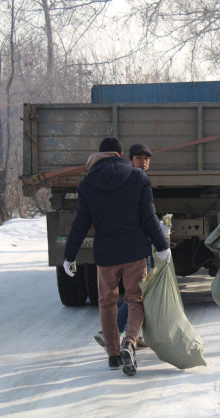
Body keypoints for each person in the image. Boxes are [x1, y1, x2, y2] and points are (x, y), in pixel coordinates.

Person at [63, 137, 170, 376]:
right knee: (135, 300)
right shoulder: (138, 178)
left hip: (106, 254)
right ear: (121, 155)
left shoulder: (88, 183)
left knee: (107, 303)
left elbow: (80, 224)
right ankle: (130, 343)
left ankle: (113, 355)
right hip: (135, 251)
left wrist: (70, 256)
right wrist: (163, 246)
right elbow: (148, 217)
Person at [93, 143, 166, 350]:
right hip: (133, 248)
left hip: (135, 244)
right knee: (138, 294)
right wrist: (160, 240)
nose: (143, 162)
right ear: (129, 159)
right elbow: (142, 216)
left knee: (140, 293)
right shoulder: (131, 179)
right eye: (138, 158)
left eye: (146, 158)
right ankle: (117, 331)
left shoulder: (137, 178)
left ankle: (131, 334)